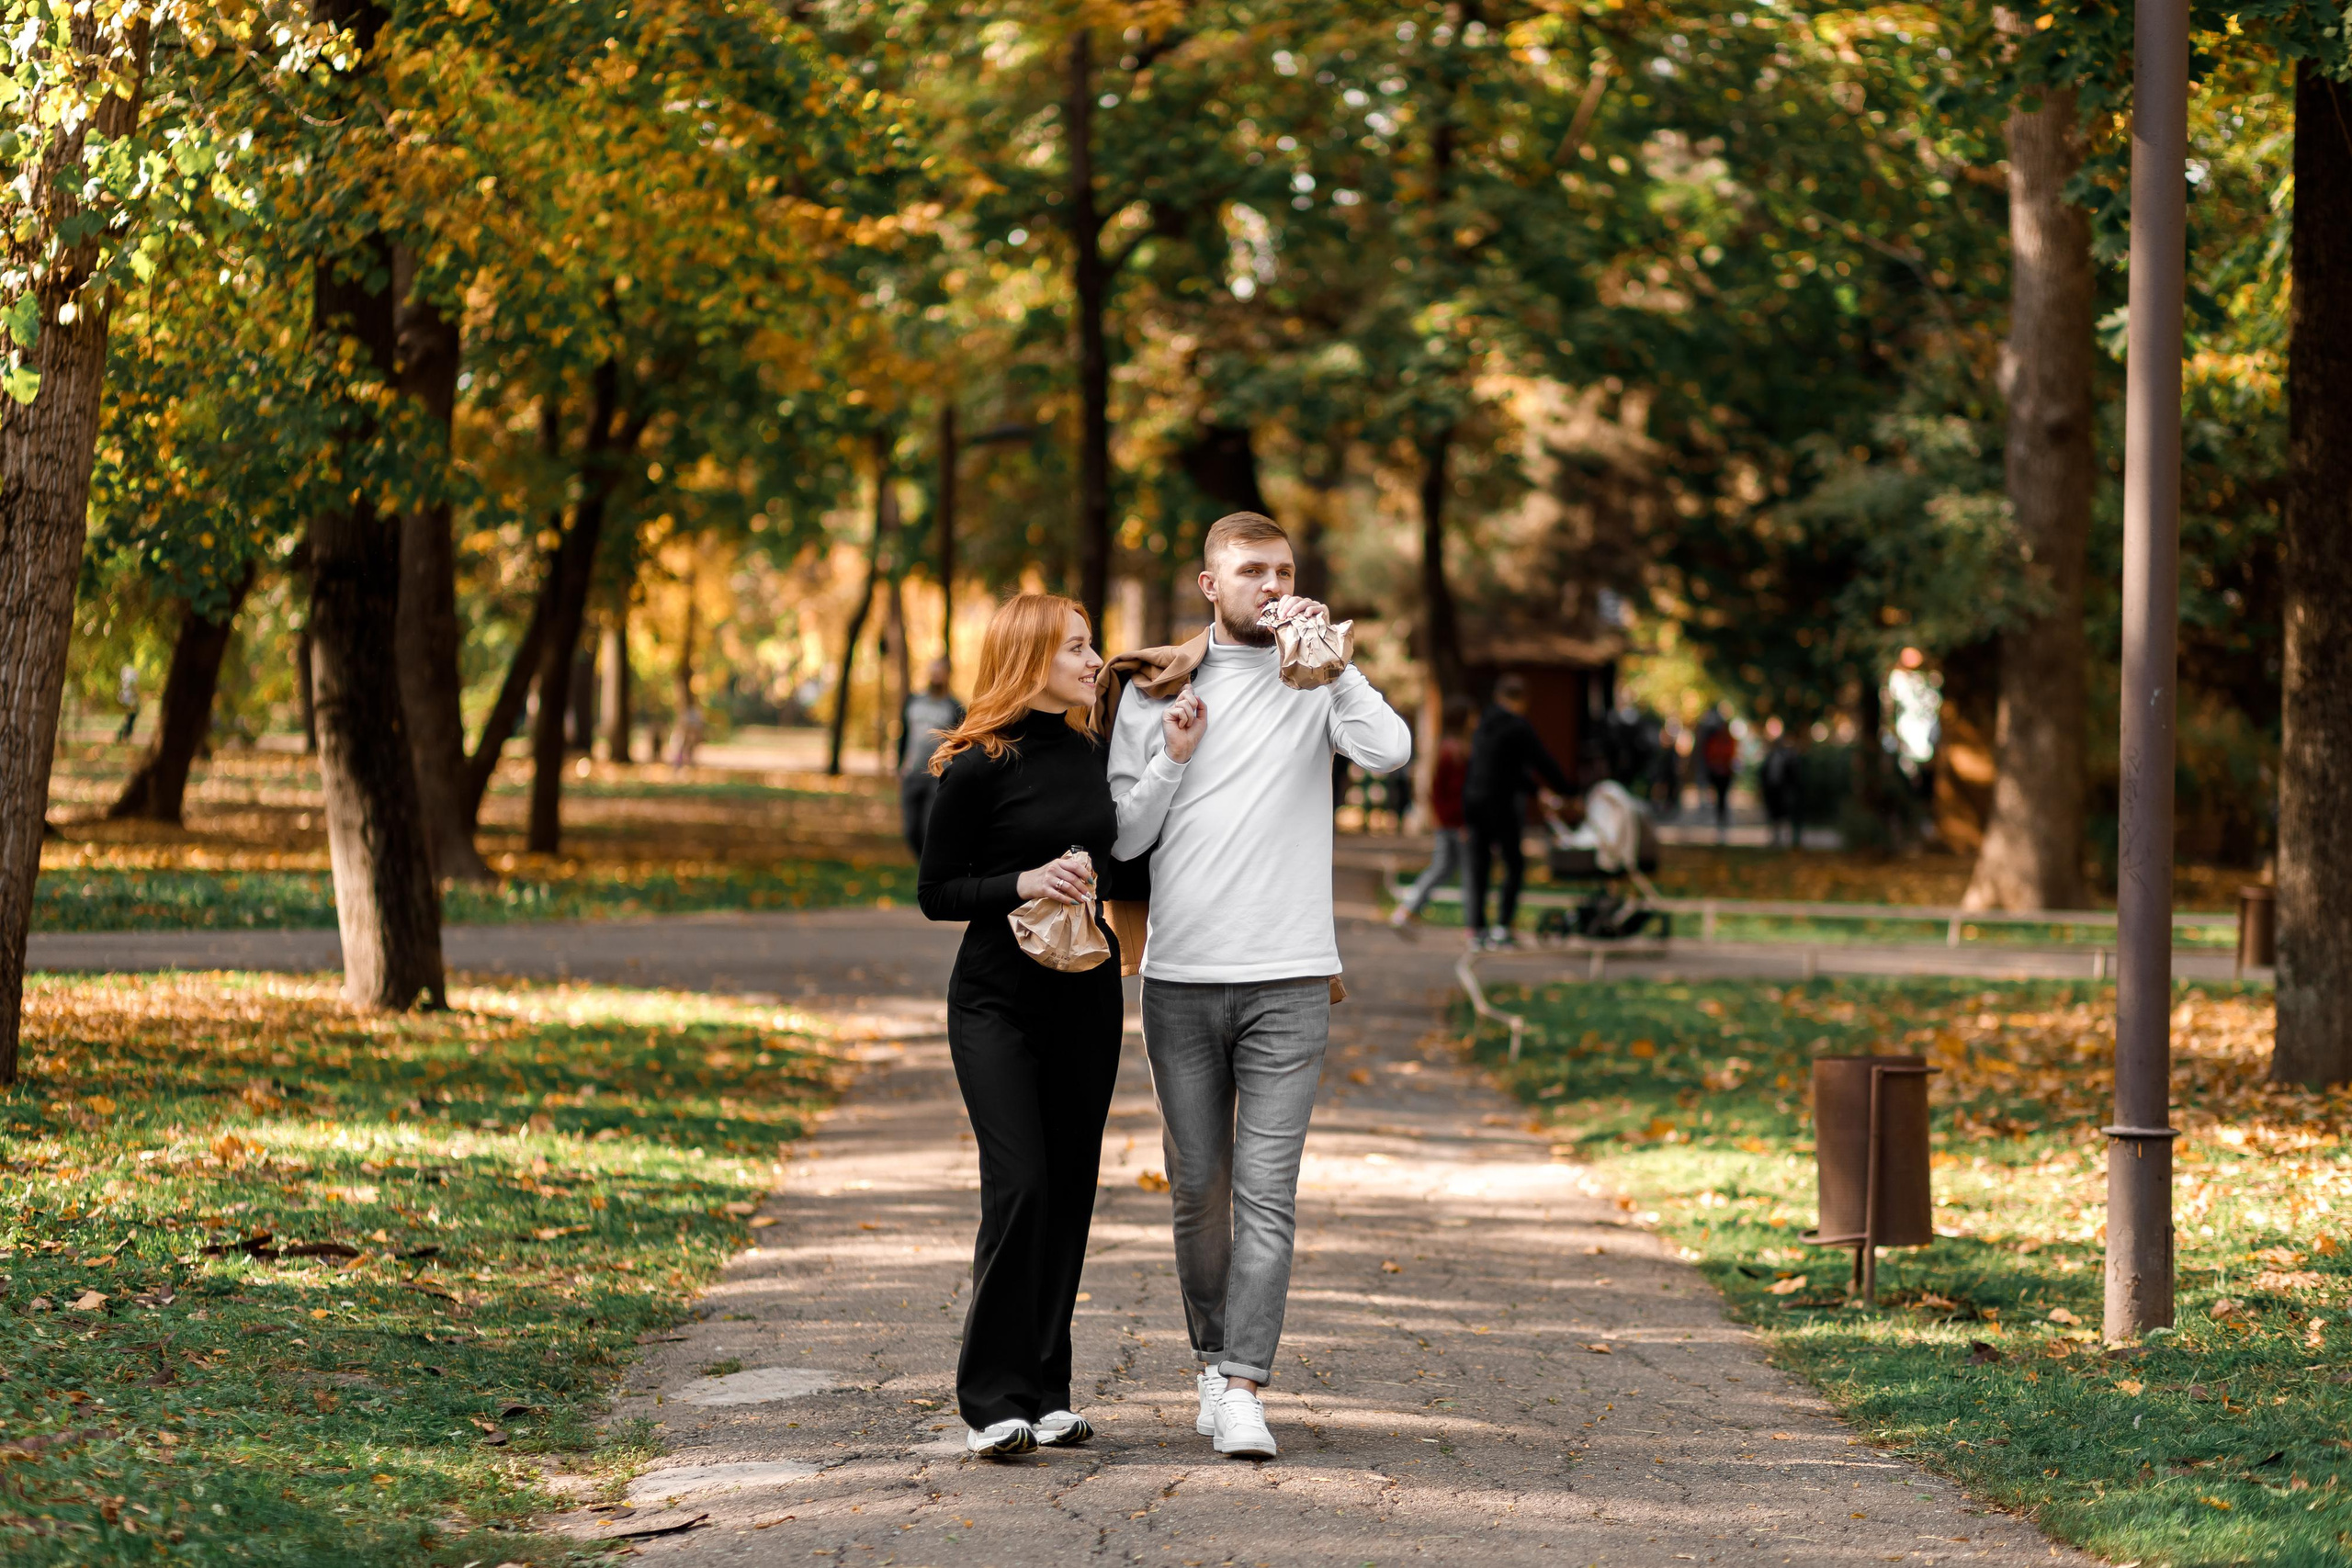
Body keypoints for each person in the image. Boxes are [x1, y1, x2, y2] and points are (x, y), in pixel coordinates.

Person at [1106, 511, 1412, 1460]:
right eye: (1250, 572)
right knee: (1199, 1190)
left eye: (1283, 571)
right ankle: (1210, 1361)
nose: (1269, 587)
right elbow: (1121, 837)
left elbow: (1391, 752)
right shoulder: (1158, 688)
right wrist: (1170, 756)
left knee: (1268, 1197)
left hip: (1289, 976)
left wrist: (1335, 666)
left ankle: (1244, 1384)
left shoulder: (1312, 680)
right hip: (1183, 978)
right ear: (1210, 585)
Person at [918, 594, 1189, 1459]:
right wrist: (1025, 880)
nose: (1091, 658)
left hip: (1086, 992)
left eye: (1089, 643)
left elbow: (1123, 853)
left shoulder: (1092, 751)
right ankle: (990, 1398)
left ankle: (1046, 1390)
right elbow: (937, 893)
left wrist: (1172, 758)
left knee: (1070, 1187)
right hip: (995, 1000)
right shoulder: (975, 764)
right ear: (1031, 657)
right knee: (1022, 1183)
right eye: (1075, 646)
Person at [1462, 674, 1572, 949]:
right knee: (1514, 863)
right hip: (1500, 801)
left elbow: (1507, 767)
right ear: (1521, 699)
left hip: (1474, 798)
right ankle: (1502, 927)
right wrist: (1569, 791)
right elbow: (1541, 761)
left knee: (1480, 864)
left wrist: (1536, 791)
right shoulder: (1517, 726)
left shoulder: (1483, 723)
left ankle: (1476, 929)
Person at [1391, 697, 1475, 931]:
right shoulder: (1453, 751)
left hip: (1449, 820)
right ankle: (1473, 925)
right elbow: (1449, 790)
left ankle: (1408, 909)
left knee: (1443, 868)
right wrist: (1457, 820)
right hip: (1455, 822)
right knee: (1467, 872)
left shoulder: (1446, 747)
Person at [897, 658, 967, 858]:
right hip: (911, 773)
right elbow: (904, 736)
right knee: (910, 830)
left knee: (928, 828)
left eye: (940, 671)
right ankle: (922, 863)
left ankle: (927, 869)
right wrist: (899, 764)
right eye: (933, 671)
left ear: (947, 675)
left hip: (937, 778)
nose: (935, 675)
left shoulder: (955, 708)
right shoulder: (913, 701)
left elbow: (961, 745)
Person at [1695, 704, 1738, 835]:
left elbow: (1731, 755)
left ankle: (1722, 818)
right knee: (1717, 796)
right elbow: (1710, 754)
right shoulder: (1713, 741)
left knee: (1722, 796)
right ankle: (1719, 817)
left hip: (1725, 772)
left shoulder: (1729, 741)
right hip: (1716, 771)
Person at [115, 662, 140, 744]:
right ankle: (123, 737)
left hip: (130, 702)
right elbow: (133, 691)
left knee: (129, 721)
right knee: (129, 721)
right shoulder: (131, 680)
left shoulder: (128, 680)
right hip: (131, 702)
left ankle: (123, 738)